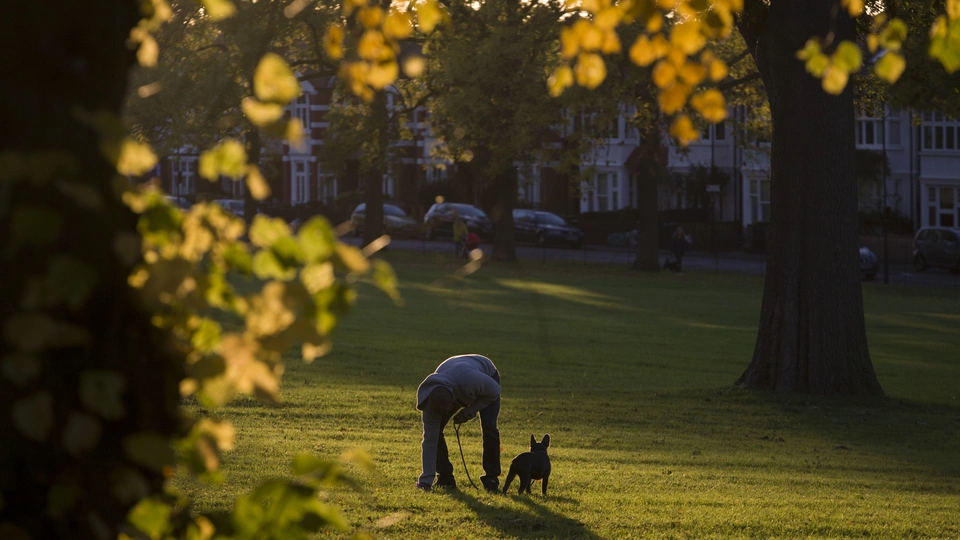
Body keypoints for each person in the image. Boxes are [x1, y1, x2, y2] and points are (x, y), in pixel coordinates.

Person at [416, 354, 501, 493]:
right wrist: (425, 482)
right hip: (455, 378)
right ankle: (445, 478)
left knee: (489, 428)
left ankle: (491, 478)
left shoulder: (471, 381)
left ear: (453, 401)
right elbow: (429, 441)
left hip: (485, 375)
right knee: (435, 434)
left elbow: (495, 391)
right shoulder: (430, 401)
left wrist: (468, 412)